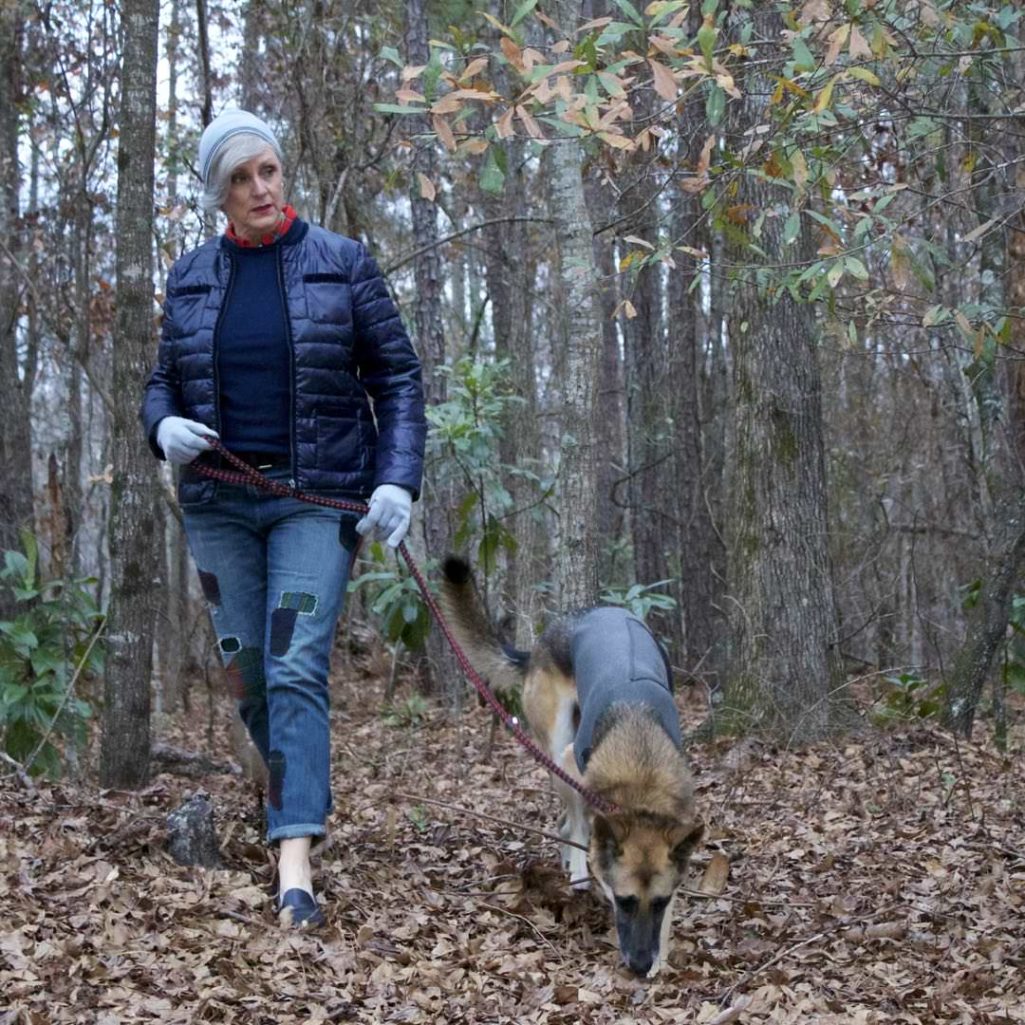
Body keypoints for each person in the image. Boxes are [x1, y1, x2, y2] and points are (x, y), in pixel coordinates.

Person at [141, 109, 427, 928]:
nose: (260, 188)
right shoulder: (192, 275)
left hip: (316, 500)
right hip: (218, 504)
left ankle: (293, 860)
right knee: (249, 672)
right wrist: (162, 427)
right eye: (240, 178)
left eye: (268, 169)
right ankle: (288, 810)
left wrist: (396, 481)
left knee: (297, 662)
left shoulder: (341, 263)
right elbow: (162, 379)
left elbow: (398, 379)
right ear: (217, 194)